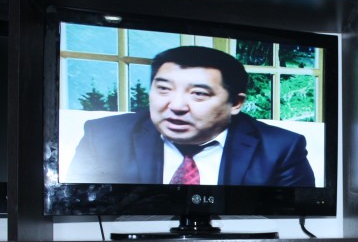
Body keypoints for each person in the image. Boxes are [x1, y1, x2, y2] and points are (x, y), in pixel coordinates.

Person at [66, 45, 315, 186]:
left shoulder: (281, 148)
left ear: (236, 103)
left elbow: (292, 218)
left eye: (198, 93)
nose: (176, 106)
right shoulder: (103, 137)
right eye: (164, 89)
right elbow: (82, 203)